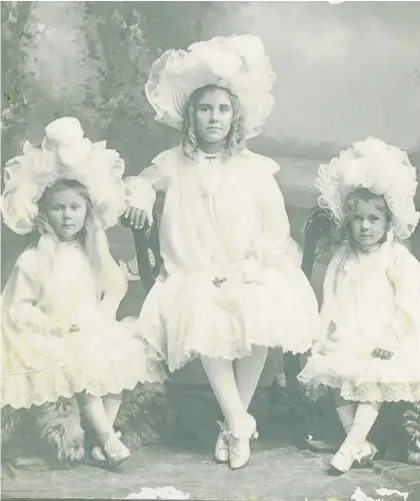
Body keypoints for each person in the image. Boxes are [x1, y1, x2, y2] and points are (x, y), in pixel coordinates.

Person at [122, 35, 321, 469]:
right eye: (205, 108)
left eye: (223, 109)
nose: (214, 117)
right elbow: (140, 182)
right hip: (193, 271)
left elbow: (275, 229)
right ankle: (238, 420)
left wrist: (250, 265)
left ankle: (234, 424)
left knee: (262, 307)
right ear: (190, 115)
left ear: (236, 117)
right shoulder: (173, 162)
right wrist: (138, 196)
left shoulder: (255, 168)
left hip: (250, 265)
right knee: (203, 309)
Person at [1, 117, 164, 465]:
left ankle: (99, 440)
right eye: (58, 209)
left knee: (122, 355)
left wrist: (104, 314)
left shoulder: (92, 249)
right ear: (44, 213)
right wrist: (55, 326)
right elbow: (18, 308)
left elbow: (114, 284)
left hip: (91, 325)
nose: (67, 217)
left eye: (75, 208)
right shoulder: (34, 259)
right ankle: (107, 437)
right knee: (80, 361)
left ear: (87, 211)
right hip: (49, 332)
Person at [298, 138, 420, 474]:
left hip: (386, 338)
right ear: (347, 222)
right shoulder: (343, 257)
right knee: (336, 369)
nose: (364, 226)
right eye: (357, 219)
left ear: (388, 222)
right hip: (349, 334)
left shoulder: (398, 258)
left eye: (373, 219)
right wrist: (323, 336)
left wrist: (392, 338)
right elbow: (331, 298)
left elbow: (410, 304)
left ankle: (350, 445)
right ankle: (358, 442)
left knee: (374, 377)